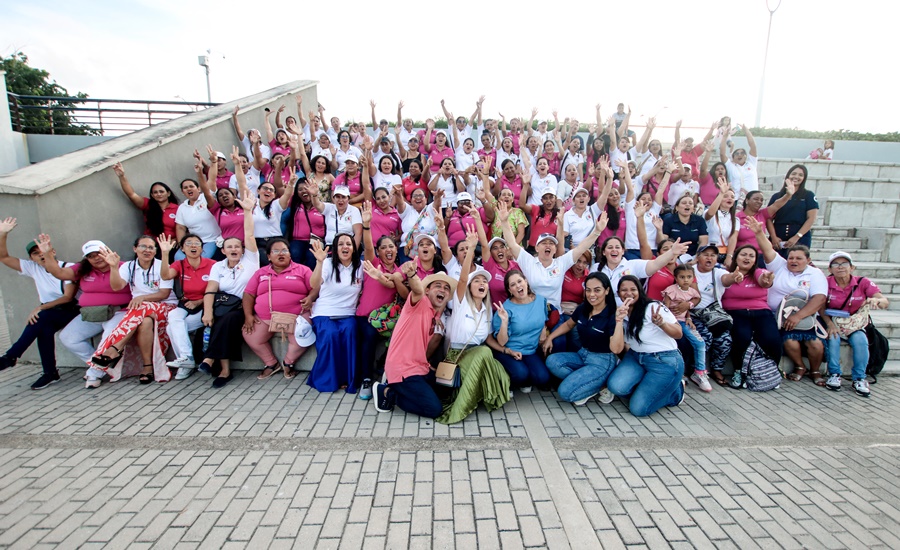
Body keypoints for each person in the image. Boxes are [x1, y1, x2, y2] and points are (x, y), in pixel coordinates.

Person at [68, 235, 176, 387]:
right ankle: (147, 367)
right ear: (135, 249)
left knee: (141, 308)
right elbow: (117, 286)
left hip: (165, 306)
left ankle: (114, 349)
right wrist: (113, 267)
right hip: (142, 311)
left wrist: (143, 298)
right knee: (144, 322)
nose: (147, 250)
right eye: (143, 247)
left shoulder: (161, 265)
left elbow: (164, 294)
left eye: (151, 247)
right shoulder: (128, 266)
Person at [435, 228, 510, 424]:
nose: (482, 283)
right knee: (485, 354)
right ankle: (460, 406)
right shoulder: (460, 301)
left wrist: (505, 338)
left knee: (500, 371)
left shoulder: (488, 310)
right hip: (457, 355)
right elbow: (461, 278)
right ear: (469, 286)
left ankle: (478, 394)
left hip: (477, 354)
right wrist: (470, 249)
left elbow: (488, 339)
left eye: (484, 281)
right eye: (477, 280)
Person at [0, 218, 79, 389]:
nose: (41, 254)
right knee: (44, 328)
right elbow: (3, 257)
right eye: (35, 253)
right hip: (50, 314)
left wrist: (40, 307)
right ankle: (50, 373)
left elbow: (68, 297)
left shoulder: (68, 267)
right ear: (31, 259)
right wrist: (3, 233)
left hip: (71, 311)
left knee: (41, 317)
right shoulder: (33, 268)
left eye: (43, 250)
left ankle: (10, 357)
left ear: (52, 251)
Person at [749, 216, 828, 385]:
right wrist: (758, 233)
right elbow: (768, 250)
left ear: (808, 260)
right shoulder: (780, 266)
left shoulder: (815, 274)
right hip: (777, 317)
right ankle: (800, 367)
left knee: (816, 344)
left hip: (804, 317)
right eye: (791, 258)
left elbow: (819, 298)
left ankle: (815, 371)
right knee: (790, 342)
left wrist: (797, 316)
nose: (793, 261)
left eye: (799, 258)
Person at [41, 239, 133, 384]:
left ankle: (94, 373)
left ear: (107, 251)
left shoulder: (124, 266)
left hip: (119, 311)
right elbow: (59, 273)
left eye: (99, 253)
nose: (96, 258)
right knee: (68, 337)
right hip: (92, 313)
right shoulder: (83, 269)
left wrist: (113, 266)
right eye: (91, 256)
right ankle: (103, 365)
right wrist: (47, 254)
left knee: (107, 338)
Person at [373, 267, 457, 419]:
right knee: (434, 409)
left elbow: (441, 302)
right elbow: (417, 289)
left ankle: (400, 388)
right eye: (438, 286)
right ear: (427, 291)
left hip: (420, 368)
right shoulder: (420, 302)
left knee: (447, 391)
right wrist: (412, 274)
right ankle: (388, 392)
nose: (443, 290)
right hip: (403, 371)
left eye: (446, 288)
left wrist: (438, 315)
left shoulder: (434, 311)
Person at [499, 202, 604, 310]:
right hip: (532, 312)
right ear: (536, 248)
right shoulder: (528, 261)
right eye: (544, 243)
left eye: (551, 243)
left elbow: (581, 248)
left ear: (555, 249)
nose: (548, 245)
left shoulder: (561, 263)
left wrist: (597, 232)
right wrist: (504, 221)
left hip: (555, 315)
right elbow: (512, 243)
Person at [197, 208, 260, 388]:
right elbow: (210, 290)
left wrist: (247, 211)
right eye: (229, 247)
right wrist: (207, 312)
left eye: (237, 246)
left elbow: (249, 235)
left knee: (228, 320)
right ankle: (223, 370)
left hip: (244, 307)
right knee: (220, 320)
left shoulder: (250, 260)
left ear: (242, 250)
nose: (234, 249)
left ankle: (210, 359)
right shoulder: (218, 266)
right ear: (223, 251)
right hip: (223, 307)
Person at [606, 276, 686, 417]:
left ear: (640, 291)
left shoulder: (653, 307)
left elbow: (679, 333)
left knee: (639, 409)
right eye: (624, 290)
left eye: (633, 289)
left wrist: (662, 324)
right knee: (616, 387)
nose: (628, 293)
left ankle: (676, 391)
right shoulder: (622, 312)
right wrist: (619, 320)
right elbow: (619, 347)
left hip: (663, 360)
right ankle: (654, 386)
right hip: (636, 357)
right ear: (618, 293)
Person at [242, 239, 314, 384]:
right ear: (268, 256)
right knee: (250, 335)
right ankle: (271, 363)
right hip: (265, 317)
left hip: (297, 315)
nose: (281, 254)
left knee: (303, 338)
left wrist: (311, 298)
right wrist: (248, 315)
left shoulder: (303, 270)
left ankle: (288, 363)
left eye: (284, 250)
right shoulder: (260, 273)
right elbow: (248, 294)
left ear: (290, 253)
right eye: (275, 251)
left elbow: (315, 288)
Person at [544, 273, 623, 405]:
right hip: (583, 354)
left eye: (597, 290)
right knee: (552, 361)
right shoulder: (583, 308)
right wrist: (550, 337)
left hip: (602, 361)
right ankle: (588, 383)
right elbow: (569, 324)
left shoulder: (611, 314)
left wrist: (619, 321)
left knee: (565, 392)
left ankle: (600, 385)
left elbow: (616, 348)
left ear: (607, 291)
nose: (592, 294)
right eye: (588, 290)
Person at [820, 251, 889, 397]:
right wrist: (829, 324)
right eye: (835, 264)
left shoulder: (862, 282)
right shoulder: (825, 283)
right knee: (833, 339)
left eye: (844, 264)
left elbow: (884, 301)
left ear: (852, 267)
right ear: (830, 269)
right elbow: (820, 307)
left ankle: (859, 378)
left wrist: (876, 301)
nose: (840, 267)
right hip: (833, 322)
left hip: (855, 324)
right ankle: (834, 374)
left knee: (861, 341)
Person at [308, 235, 363, 394]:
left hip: (348, 313)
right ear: (335, 248)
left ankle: (347, 378)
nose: (345, 247)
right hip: (325, 312)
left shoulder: (359, 267)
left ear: (353, 248)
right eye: (340, 244)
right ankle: (328, 380)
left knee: (350, 332)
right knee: (330, 335)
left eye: (348, 244)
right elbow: (313, 284)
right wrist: (319, 262)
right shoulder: (326, 263)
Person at [158, 232, 217, 381]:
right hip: (186, 305)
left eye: (197, 243)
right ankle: (186, 359)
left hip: (207, 306)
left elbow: (218, 289)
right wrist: (165, 254)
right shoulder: (179, 264)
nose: (193, 246)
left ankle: (186, 363)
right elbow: (165, 276)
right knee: (173, 317)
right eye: (189, 243)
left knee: (172, 328)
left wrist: (199, 302)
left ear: (202, 249)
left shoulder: (212, 264)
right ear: (182, 249)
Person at [720, 241, 779, 388]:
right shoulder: (725, 271)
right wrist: (734, 278)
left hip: (760, 311)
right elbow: (725, 281)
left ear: (755, 260)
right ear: (736, 257)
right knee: (742, 337)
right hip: (735, 311)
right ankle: (739, 371)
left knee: (772, 339)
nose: (747, 258)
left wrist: (767, 281)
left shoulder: (759, 272)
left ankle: (772, 371)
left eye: (751, 256)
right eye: (744, 254)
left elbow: (764, 281)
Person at [492, 270, 551, 392]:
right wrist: (504, 321)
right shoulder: (506, 308)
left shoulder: (541, 300)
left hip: (530, 351)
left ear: (526, 281)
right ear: (509, 290)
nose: (518, 286)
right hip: (510, 351)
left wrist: (543, 331)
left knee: (543, 378)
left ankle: (526, 377)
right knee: (521, 374)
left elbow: (542, 320)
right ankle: (506, 378)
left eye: (519, 281)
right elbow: (502, 342)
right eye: (513, 285)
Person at [692, 244, 738, 386]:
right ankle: (698, 370)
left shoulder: (718, 272)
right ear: (698, 257)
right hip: (693, 313)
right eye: (706, 254)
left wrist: (734, 277)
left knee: (725, 339)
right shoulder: (690, 271)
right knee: (705, 337)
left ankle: (717, 369)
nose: (709, 258)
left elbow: (726, 279)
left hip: (713, 314)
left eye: (713, 255)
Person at [662, 265, 709, 391]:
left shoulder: (692, 292)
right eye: (682, 277)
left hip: (684, 322)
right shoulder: (671, 290)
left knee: (699, 343)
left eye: (689, 277)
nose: (686, 280)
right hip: (672, 323)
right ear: (676, 278)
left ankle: (699, 372)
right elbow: (665, 307)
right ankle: (679, 374)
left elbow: (692, 302)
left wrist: (688, 317)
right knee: (678, 345)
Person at [113, 163, 179, 250]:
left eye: (161, 191)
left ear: (168, 193)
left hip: (171, 245)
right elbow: (132, 194)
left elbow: (183, 228)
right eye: (155, 192)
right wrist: (122, 176)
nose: (158, 194)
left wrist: (176, 240)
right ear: (152, 195)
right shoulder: (148, 204)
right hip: (151, 245)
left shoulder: (178, 209)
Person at [767, 164, 819, 258]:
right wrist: (773, 237)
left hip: (800, 238)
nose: (796, 177)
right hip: (778, 238)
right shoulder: (777, 196)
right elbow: (768, 218)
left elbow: (811, 218)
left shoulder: (808, 195)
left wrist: (797, 236)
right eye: (794, 173)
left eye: (800, 175)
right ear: (788, 175)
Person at [174, 175, 221, 260]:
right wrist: (182, 244)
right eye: (185, 188)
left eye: (191, 186)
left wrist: (199, 172)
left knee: (201, 259)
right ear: (182, 191)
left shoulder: (206, 198)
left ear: (198, 189)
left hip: (212, 240)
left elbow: (211, 181)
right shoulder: (182, 207)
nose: (189, 189)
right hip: (194, 242)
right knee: (178, 258)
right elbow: (180, 227)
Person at [720, 124, 759, 198]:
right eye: (737, 154)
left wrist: (746, 130)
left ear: (746, 156)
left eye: (742, 153)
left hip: (753, 199)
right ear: (733, 157)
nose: (739, 155)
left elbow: (753, 146)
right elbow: (722, 154)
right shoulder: (730, 166)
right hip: (737, 199)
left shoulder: (751, 163)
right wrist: (725, 137)